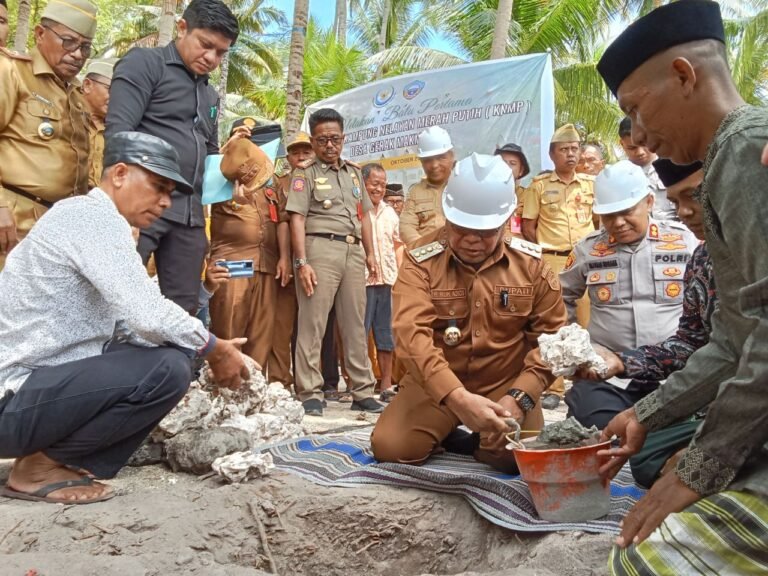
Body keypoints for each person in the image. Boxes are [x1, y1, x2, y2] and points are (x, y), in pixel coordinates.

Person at [595, 2, 768, 572]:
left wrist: (699, 468)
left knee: (641, 562)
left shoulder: (746, 151)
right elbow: (732, 339)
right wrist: (647, 413)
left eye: (636, 108)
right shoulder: (730, 158)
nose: (639, 134)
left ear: (683, 75)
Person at [0, 131, 248, 505]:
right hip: (12, 399)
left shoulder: (93, 220)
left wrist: (200, 345)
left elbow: (131, 327)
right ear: (119, 174)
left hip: (27, 399)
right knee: (168, 369)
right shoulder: (89, 217)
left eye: (170, 193)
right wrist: (213, 347)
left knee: (173, 354)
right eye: (158, 187)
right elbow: (147, 313)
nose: (165, 202)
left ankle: (49, 459)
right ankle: (38, 469)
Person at [372, 153, 566, 472]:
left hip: (507, 383)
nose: (472, 241)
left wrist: (520, 398)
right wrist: (457, 398)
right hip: (436, 383)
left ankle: (474, 443)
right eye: (462, 229)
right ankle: (448, 425)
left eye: (486, 232)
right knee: (392, 447)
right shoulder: (421, 261)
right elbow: (410, 336)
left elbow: (552, 342)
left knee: (519, 459)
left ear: (506, 221)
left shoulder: (531, 265)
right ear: (447, 215)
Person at [579, 159, 713, 488]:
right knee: (623, 441)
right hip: (622, 377)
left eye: (693, 197)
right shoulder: (703, 259)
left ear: (649, 202)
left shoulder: (686, 243)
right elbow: (690, 340)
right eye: (677, 201)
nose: (684, 211)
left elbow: (727, 352)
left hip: (698, 382)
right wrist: (611, 359)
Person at [105, 0, 239, 315]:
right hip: (140, 208)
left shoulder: (210, 96)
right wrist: (116, 213)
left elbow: (210, 154)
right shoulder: (145, 64)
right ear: (182, 28)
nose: (212, 58)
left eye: (221, 52)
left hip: (190, 217)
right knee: (112, 300)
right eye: (205, 45)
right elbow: (118, 134)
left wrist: (233, 182)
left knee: (183, 312)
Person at [560, 160, 697, 430]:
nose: (618, 223)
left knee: (683, 433)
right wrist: (578, 346)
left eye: (626, 212)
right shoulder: (588, 250)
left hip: (675, 375)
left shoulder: (686, 242)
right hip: (608, 378)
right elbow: (560, 299)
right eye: (608, 215)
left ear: (649, 202)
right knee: (591, 429)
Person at [286, 108, 384, 416]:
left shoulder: (354, 173)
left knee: (355, 323)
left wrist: (371, 253)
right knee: (312, 322)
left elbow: (364, 216)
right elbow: (296, 219)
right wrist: (302, 262)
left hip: (353, 251)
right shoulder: (304, 174)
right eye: (323, 139)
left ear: (343, 138)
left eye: (335, 139)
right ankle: (309, 392)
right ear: (313, 141)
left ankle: (362, 390)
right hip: (319, 249)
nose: (330, 145)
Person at [0, 0, 97, 266]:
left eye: (85, 47)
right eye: (69, 42)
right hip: (14, 223)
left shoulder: (76, 95)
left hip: (58, 230)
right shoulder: (12, 72)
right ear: (40, 34)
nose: (77, 54)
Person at [521, 123, 595, 408]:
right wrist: (544, 253)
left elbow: (599, 222)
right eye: (564, 149)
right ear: (552, 154)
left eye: (575, 149)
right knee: (556, 322)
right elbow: (529, 226)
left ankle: (588, 383)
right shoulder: (539, 186)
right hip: (553, 259)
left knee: (588, 321)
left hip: (587, 259)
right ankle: (554, 388)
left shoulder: (590, 184)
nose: (571, 154)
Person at [208, 137, 291, 368]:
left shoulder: (272, 181)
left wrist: (284, 257)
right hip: (234, 265)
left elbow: (282, 219)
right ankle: (225, 380)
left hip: (267, 264)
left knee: (262, 332)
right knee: (230, 328)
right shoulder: (218, 184)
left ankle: (254, 382)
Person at [268, 130, 314, 389]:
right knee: (282, 324)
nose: (301, 157)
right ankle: (280, 380)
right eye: (296, 152)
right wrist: (286, 257)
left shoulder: (323, 179)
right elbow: (282, 222)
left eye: (306, 151)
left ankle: (312, 382)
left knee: (313, 325)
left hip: (318, 260)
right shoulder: (279, 183)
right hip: (288, 262)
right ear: (288, 157)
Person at [362, 163, 402, 401]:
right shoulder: (356, 209)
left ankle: (386, 384)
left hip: (388, 280)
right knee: (360, 333)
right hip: (362, 281)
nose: (379, 189)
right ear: (363, 183)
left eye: (383, 185)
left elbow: (397, 245)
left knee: (385, 333)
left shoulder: (390, 213)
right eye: (374, 184)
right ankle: (360, 384)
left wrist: (400, 277)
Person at [399, 126, 454, 247]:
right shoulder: (415, 192)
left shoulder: (463, 185)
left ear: (451, 156)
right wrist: (428, 248)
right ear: (421, 162)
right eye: (428, 160)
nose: (434, 165)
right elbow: (406, 226)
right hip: (427, 254)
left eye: (441, 157)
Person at [618, 117, 676, 222]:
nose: (640, 152)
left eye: (644, 145)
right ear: (622, 144)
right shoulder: (618, 177)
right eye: (632, 148)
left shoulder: (673, 166)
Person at [81, 58, 117, 190]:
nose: (117, 97)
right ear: (87, 85)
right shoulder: (65, 115)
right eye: (110, 89)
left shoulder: (116, 129)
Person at [494, 142, 530, 233]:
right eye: (503, 162)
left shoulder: (528, 196)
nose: (506, 167)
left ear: (521, 170)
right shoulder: (484, 193)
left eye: (512, 163)